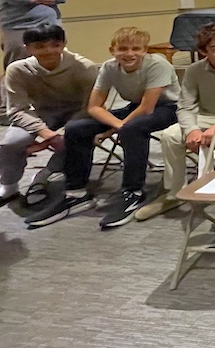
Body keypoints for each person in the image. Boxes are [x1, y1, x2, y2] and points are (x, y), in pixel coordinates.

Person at [26, 27, 180, 229]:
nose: (129, 54)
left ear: (145, 50)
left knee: (132, 129)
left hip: (168, 108)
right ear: (112, 50)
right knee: (76, 128)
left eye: (136, 49)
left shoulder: (157, 64)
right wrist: (117, 125)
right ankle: (76, 193)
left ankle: (133, 191)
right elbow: (94, 107)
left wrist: (117, 129)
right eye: (123, 49)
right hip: (134, 108)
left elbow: (147, 108)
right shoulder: (109, 67)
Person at [135, 24, 215, 224]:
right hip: (206, 116)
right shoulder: (194, 70)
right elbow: (185, 106)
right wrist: (192, 130)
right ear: (203, 51)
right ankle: (174, 192)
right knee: (170, 136)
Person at [0, 24, 95, 204]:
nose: (48, 51)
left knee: (75, 137)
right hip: (40, 113)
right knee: (11, 143)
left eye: (55, 45)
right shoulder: (17, 69)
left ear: (64, 43)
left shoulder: (83, 66)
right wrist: (48, 134)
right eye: (40, 46)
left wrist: (61, 134)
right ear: (27, 48)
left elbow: (90, 107)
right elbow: (17, 110)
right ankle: (9, 186)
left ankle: (43, 177)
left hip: (76, 114)